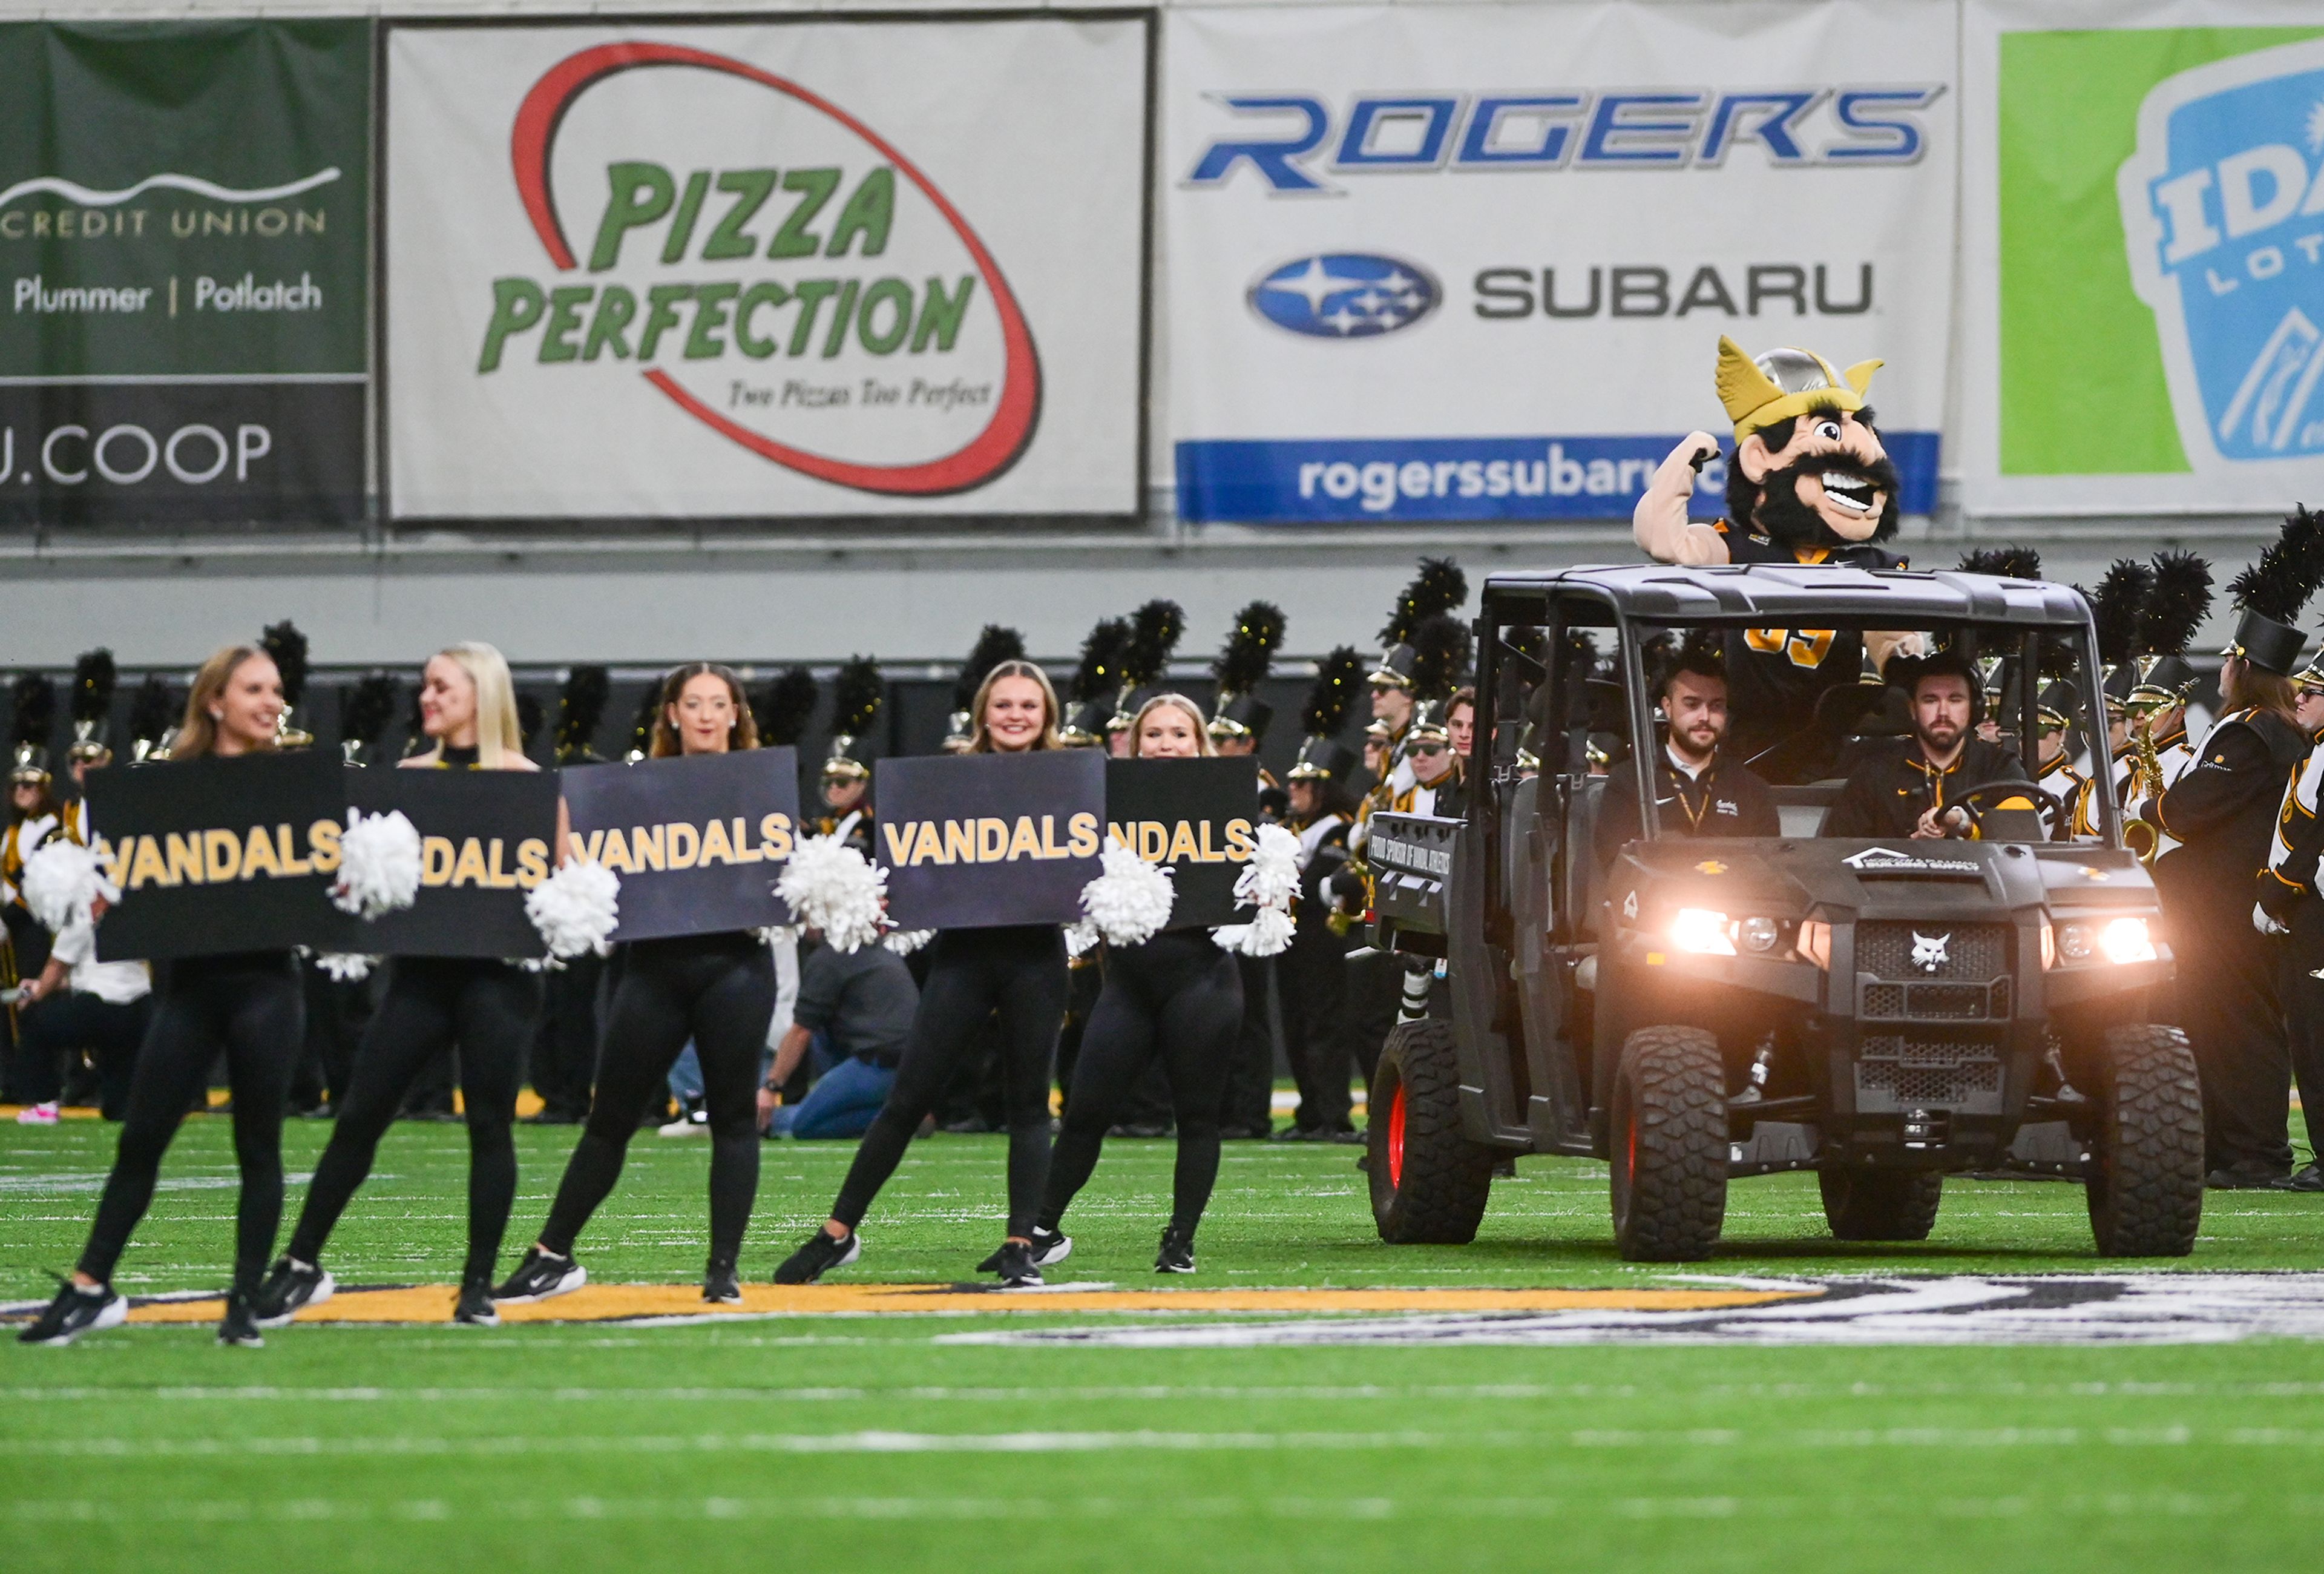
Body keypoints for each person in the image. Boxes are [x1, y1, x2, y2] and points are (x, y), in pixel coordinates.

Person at [19, 644, 308, 1346]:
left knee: (258, 1147)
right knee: (141, 1139)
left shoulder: (299, 783)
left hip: (269, 985)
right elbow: (129, 886)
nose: (272, 702)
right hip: (190, 990)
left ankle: (244, 1300)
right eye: (254, 689)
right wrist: (101, 897)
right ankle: (91, 1287)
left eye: (276, 689)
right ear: (215, 700)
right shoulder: (164, 787)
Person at [254, 644, 547, 1330]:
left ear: (481, 692)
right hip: (420, 977)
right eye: (425, 686)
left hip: (497, 982)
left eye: (442, 686)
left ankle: (477, 1284)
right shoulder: (403, 778)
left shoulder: (528, 781)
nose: (428, 697)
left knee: (490, 1127)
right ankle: (300, 1263)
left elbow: (568, 877)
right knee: (359, 1118)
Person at [775, 659, 1072, 1288]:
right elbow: (912, 863)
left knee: (1027, 1103)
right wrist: (892, 894)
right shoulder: (948, 780)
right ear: (984, 712)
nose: (1016, 715)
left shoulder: (1073, 778)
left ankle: (1022, 1242)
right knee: (907, 1097)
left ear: (1047, 714)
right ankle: (837, 1232)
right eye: (1004, 704)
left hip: (1036, 957)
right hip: (964, 955)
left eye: (1028, 705)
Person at [497, 664, 778, 1306]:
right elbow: (575, 856)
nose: (706, 715)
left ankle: (723, 1269)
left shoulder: (763, 786)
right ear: (672, 715)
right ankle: (552, 1254)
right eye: (693, 703)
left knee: (734, 1120)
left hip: (736, 967)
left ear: (736, 713)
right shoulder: (632, 788)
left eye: (718, 703)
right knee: (610, 1119)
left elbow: (789, 877)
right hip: (652, 968)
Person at [1029, 694, 1247, 1274]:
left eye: (1179, 733)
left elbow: (1267, 885)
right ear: (1132, 742)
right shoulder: (1104, 803)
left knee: (1197, 1116)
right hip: (1126, 984)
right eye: (1155, 734)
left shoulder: (1232, 805)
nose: (1167, 744)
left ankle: (1181, 1239)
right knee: (1084, 1111)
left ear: (1199, 743)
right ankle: (1040, 1229)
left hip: (1203, 981)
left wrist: (1269, 891)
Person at [2144, 534, 2316, 1189]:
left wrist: (2158, 788)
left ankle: (2254, 1152)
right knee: (2213, 1026)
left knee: (2235, 1028)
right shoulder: (2265, 728)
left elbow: (2185, 811)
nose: (2220, 665)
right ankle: (2227, 1147)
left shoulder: (2249, 732)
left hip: (2226, 910)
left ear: (2246, 668)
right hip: (2221, 908)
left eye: (2230, 657)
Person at [1594, 642, 1779, 873]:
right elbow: (1616, 865)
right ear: (1668, 706)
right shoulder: (1630, 780)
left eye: (1716, 706)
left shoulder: (1753, 790)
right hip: (1653, 904)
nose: (1705, 717)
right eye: (1692, 704)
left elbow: (1768, 870)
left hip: (1736, 903)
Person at [1822, 652, 2027, 840]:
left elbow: (2022, 832)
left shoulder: (2000, 766)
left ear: (1973, 708)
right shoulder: (1874, 773)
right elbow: (1837, 852)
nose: (1943, 712)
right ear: (1913, 709)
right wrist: (1910, 849)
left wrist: (1962, 821)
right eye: (1930, 700)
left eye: (1955, 700)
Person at [2259, 654, 2324, 1191]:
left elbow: (2315, 842)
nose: (2299, 698)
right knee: (2306, 1032)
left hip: (2319, 911)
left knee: (2317, 1034)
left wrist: (2276, 894)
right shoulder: (2315, 753)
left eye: (2313, 691)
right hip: (2306, 911)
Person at [761, 929, 917, 1141]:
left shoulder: (829, 957)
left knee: (802, 1125)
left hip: (879, 1064)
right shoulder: (880, 950)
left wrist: (771, 1088)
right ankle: (905, 1114)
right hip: (912, 1064)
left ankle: (903, 1118)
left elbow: (801, 1031)